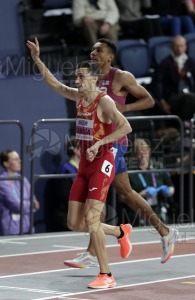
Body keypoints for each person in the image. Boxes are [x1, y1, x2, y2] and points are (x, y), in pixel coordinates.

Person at [61, 38, 178, 268]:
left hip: (114, 143)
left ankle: (98, 251)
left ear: (110, 56)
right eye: (92, 49)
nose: (93, 52)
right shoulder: (90, 76)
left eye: (99, 50)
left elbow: (149, 100)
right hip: (96, 146)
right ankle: (162, 231)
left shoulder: (120, 77)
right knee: (124, 193)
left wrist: (124, 107)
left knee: (104, 194)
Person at [27, 37, 132, 289]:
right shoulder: (79, 97)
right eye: (76, 77)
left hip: (103, 162)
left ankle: (106, 275)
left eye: (81, 77)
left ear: (95, 79)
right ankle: (120, 232)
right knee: (75, 223)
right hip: (84, 165)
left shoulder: (105, 101)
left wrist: (99, 143)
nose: (76, 81)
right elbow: (54, 84)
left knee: (92, 220)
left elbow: (125, 126)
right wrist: (37, 60)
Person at [128, 138, 175, 224]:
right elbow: (126, 198)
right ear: (133, 155)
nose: (143, 156)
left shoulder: (158, 166)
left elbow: (171, 187)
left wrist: (168, 191)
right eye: (139, 154)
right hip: (139, 213)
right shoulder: (130, 171)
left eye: (145, 153)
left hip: (159, 210)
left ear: (149, 152)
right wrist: (142, 194)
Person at [149, 35, 195, 122]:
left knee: (191, 97)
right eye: (176, 46)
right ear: (171, 47)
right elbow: (157, 83)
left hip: (189, 92)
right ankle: (185, 124)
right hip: (172, 96)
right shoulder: (165, 63)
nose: (178, 49)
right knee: (190, 99)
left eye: (181, 46)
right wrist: (162, 101)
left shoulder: (190, 61)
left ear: (185, 47)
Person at [0, 149, 40, 235]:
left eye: (19, 158)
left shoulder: (23, 180)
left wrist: (31, 204)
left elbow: (36, 204)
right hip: (12, 231)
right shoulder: (2, 182)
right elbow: (16, 205)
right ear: (6, 163)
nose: (20, 161)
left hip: (28, 228)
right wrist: (31, 204)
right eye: (15, 159)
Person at [54, 136, 80, 231]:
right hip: (69, 214)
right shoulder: (66, 170)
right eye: (84, 146)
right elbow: (66, 196)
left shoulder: (84, 168)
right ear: (75, 150)